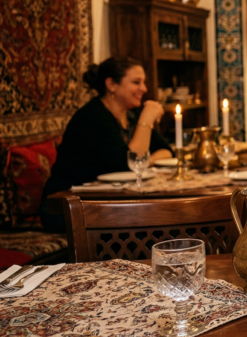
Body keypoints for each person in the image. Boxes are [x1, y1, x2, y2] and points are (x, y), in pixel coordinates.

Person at [41, 57, 173, 231]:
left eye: (143, 82)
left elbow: (168, 151)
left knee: (163, 219)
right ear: (111, 84)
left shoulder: (131, 115)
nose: (144, 88)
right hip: (67, 207)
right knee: (152, 225)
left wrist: (143, 162)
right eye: (136, 82)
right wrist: (147, 120)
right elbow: (128, 165)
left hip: (102, 203)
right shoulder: (93, 117)